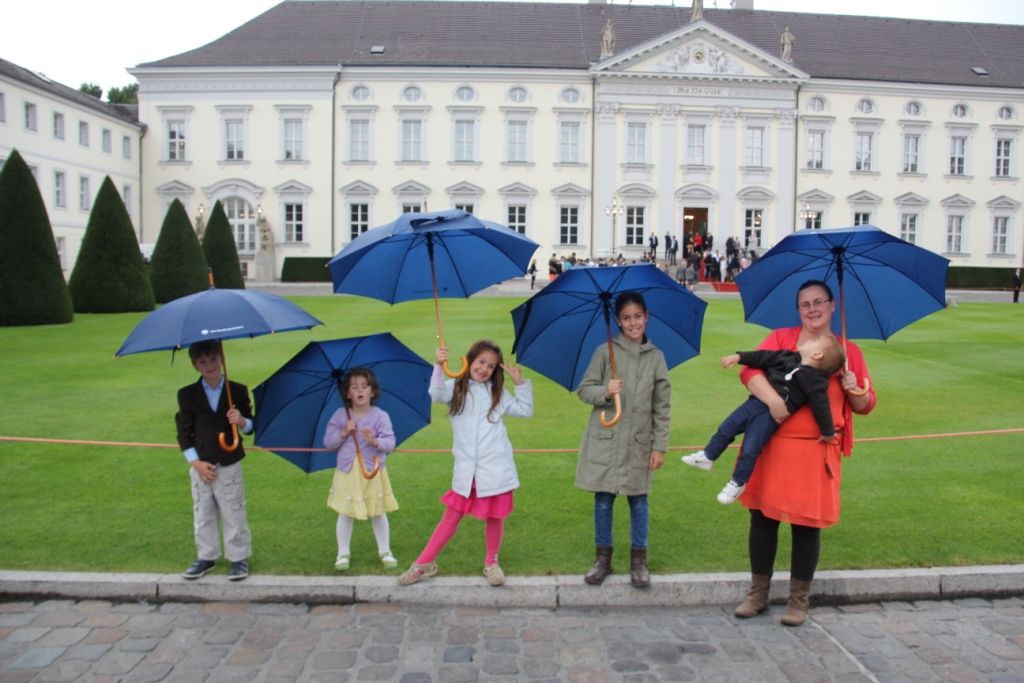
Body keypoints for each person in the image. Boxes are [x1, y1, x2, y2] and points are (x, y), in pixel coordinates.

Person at [731, 280, 875, 627]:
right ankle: (758, 593)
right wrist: (773, 401)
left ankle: (798, 600)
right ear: (798, 310)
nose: (812, 310)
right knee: (762, 518)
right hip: (772, 443)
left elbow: (865, 405)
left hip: (816, 450)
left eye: (818, 302)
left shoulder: (847, 351)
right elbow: (750, 370)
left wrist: (853, 388)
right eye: (805, 304)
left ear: (832, 305)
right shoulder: (781, 338)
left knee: (807, 525)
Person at [399, 340, 533, 587]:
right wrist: (439, 365)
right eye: (481, 362)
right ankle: (424, 562)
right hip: (466, 469)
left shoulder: (497, 393)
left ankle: (492, 563)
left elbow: (525, 410)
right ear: (469, 360)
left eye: (491, 366)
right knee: (451, 516)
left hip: (494, 467)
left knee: (495, 516)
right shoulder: (455, 388)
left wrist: (520, 384)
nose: (484, 369)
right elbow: (436, 394)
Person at [576, 292, 671, 588]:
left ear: (647, 317)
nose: (633, 323)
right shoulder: (605, 352)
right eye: (627, 318)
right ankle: (602, 559)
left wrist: (659, 446)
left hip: (639, 442)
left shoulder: (656, 358)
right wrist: (605, 390)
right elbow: (584, 390)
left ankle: (639, 561)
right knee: (603, 501)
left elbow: (662, 406)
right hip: (606, 440)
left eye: (638, 317)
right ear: (618, 320)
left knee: (638, 501)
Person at [682, 336, 846, 505]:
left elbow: (821, 407)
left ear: (817, 354)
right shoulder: (788, 356)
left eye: (814, 341)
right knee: (726, 427)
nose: (808, 341)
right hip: (754, 403)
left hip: (769, 416)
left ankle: (737, 483)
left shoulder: (815, 379)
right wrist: (739, 357)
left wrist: (828, 432)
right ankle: (708, 456)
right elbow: (763, 357)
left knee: (750, 448)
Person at [175, 340, 255, 582]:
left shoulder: (237, 391)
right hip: (202, 465)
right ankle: (206, 556)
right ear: (194, 366)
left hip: (228, 462)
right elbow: (183, 433)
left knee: (233, 511)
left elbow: (251, 427)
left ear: (221, 358)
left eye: (213, 359)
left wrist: (241, 420)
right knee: (203, 513)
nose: (209, 365)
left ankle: (238, 557)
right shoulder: (187, 395)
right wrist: (196, 464)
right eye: (202, 362)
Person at [323, 367, 398, 572]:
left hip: (372, 472)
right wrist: (344, 432)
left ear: (372, 391)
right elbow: (328, 442)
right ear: (347, 393)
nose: (360, 391)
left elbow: (390, 442)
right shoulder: (340, 416)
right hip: (348, 472)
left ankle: (385, 550)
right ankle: (343, 553)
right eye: (354, 387)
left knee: (377, 511)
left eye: (364, 387)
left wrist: (375, 442)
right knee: (346, 513)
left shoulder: (380, 416)